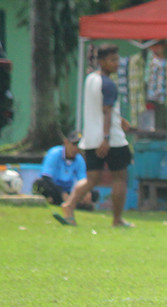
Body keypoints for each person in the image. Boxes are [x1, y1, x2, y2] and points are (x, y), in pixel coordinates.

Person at [55, 43, 133, 228]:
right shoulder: (109, 84)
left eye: (117, 59)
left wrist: (119, 119)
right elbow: (106, 112)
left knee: (91, 179)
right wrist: (106, 138)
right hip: (111, 139)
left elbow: (100, 109)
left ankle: (69, 206)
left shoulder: (90, 79)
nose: (117, 63)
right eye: (113, 60)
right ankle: (117, 220)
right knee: (120, 178)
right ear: (103, 61)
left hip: (90, 138)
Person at [34, 130, 97, 211]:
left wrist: (87, 192)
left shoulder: (79, 159)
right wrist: (62, 193)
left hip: (68, 190)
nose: (76, 149)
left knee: (94, 194)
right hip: (54, 187)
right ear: (66, 142)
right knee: (41, 184)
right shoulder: (55, 153)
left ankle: (72, 202)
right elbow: (46, 177)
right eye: (74, 144)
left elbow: (83, 179)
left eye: (79, 146)